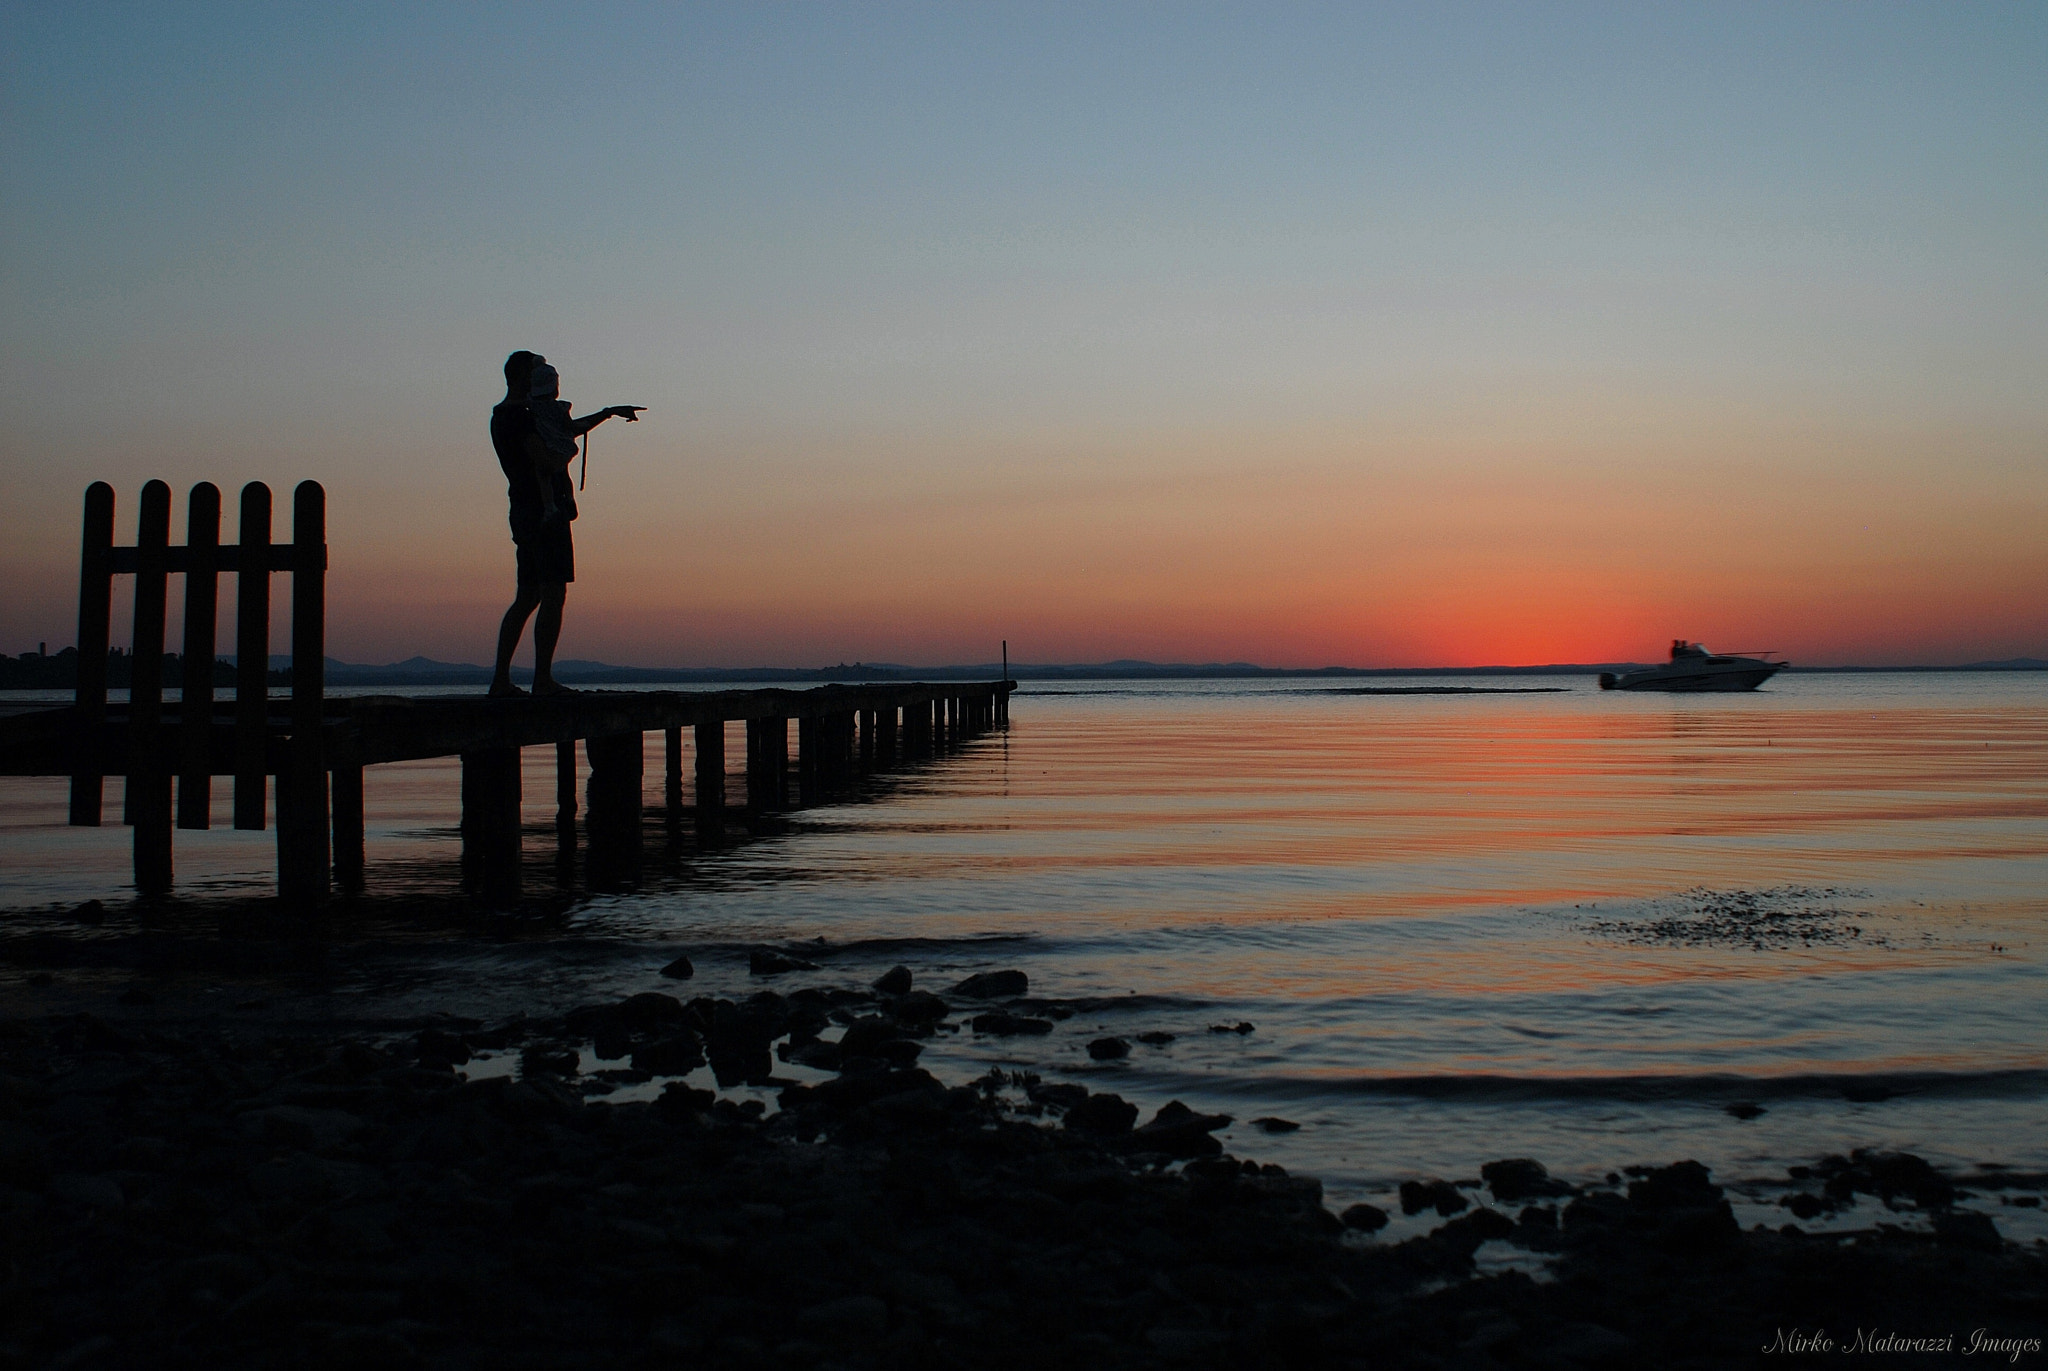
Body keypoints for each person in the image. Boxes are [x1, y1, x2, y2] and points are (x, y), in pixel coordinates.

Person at [488, 351, 640, 697]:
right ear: (524, 378)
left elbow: (567, 428)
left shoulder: (505, 416)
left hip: (523, 512)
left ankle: (501, 680)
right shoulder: (520, 419)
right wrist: (567, 453)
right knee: (553, 593)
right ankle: (542, 680)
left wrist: (607, 413)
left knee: (527, 596)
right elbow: (544, 459)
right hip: (545, 513)